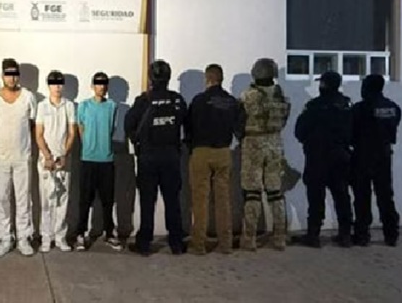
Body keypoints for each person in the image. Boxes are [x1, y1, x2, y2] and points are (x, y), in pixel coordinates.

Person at [124, 60, 187, 255]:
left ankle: (144, 243)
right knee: (172, 201)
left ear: (151, 78)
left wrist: (138, 141)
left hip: (148, 158)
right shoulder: (177, 101)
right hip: (171, 157)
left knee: (147, 202)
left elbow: (128, 124)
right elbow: (187, 125)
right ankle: (176, 242)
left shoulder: (144, 100)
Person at [184, 64, 244, 255]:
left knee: (200, 200)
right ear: (221, 79)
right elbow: (240, 129)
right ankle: (225, 244)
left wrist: (191, 146)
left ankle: (199, 244)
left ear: (207, 79)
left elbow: (188, 127)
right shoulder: (231, 101)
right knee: (223, 199)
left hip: (201, 151)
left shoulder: (198, 100)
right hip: (223, 152)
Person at [294, 70, 353, 248]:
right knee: (342, 196)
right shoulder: (347, 105)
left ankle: (313, 235)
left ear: (324, 85)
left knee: (316, 197)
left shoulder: (314, 106)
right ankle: (345, 235)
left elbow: (300, 131)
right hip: (340, 157)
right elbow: (354, 131)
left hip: (317, 157)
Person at [0, 58, 38, 257]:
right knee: (2, 199)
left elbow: (32, 125)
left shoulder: (28, 97)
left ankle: (23, 238)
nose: (12, 78)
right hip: (0, 157)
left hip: (22, 157)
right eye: (8, 74)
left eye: (15, 74)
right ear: (2, 75)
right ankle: (5, 239)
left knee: (23, 199)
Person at [239, 58, 292, 251]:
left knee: (252, 193)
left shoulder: (247, 96)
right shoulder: (281, 97)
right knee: (276, 193)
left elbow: (239, 122)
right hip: (275, 144)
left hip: (253, 144)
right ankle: (280, 238)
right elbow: (284, 121)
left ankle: (250, 238)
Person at [351, 74, 402, 247]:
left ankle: (362, 234)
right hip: (384, 156)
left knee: (362, 196)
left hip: (363, 156)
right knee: (385, 196)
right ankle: (391, 234)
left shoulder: (360, 108)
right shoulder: (393, 107)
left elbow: (351, 131)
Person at [76, 71, 121, 251]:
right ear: (92, 86)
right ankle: (81, 233)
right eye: (98, 83)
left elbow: (112, 129)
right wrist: (89, 145)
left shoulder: (112, 106)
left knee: (107, 200)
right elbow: (81, 128)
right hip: (88, 159)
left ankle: (109, 233)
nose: (101, 87)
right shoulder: (83, 106)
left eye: (104, 84)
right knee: (85, 200)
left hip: (106, 160)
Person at [35, 70, 77, 253]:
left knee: (62, 199)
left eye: (60, 83)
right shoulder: (42, 106)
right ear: (48, 85)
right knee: (46, 200)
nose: (57, 87)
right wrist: (47, 156)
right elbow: (38, 134)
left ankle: (60, 237)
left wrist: (64, 154)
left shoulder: (69, 105)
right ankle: (46, 237)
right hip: (46, 160)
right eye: (54, 83)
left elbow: (72, 133)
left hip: (63, 160)